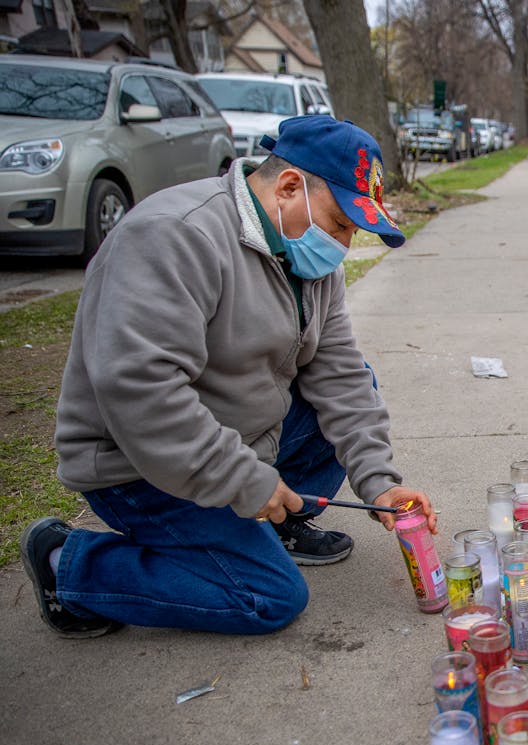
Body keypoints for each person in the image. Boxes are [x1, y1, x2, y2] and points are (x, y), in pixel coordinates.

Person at [21, 116, 436, 638]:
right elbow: (141, 393)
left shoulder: (311, 261)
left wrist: (380, 484)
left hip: (233, 440)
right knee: (269, 597)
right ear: (288, 188)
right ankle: (68, 565)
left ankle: (269, 527)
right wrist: (245, 481)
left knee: (358, 385)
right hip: (138, 465)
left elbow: (341, 373)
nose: (344, 244)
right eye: (340, 224)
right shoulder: (173, 235)